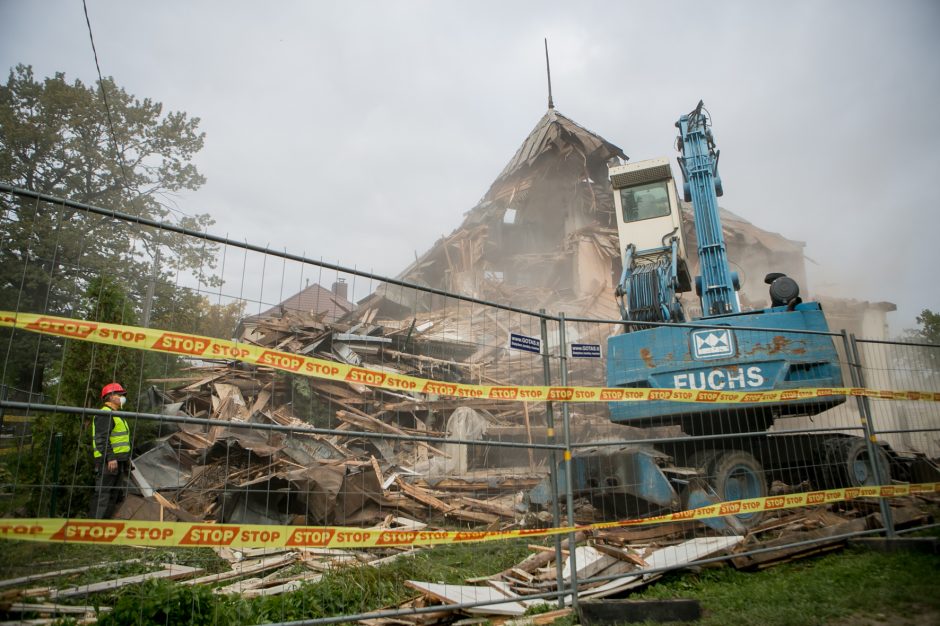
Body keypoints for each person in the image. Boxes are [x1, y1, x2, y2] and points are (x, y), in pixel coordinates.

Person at [89, 382, 132, 519]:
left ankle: (104, 527)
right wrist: (110, 457)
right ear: (110, 396)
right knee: (103, 495)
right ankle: (94, 528)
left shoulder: (116, 414)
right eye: (119, 394)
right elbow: (101, 438)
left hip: (118, 461)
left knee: (113, 495)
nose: (122, 397)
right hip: (108, 462)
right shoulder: (105, 414)